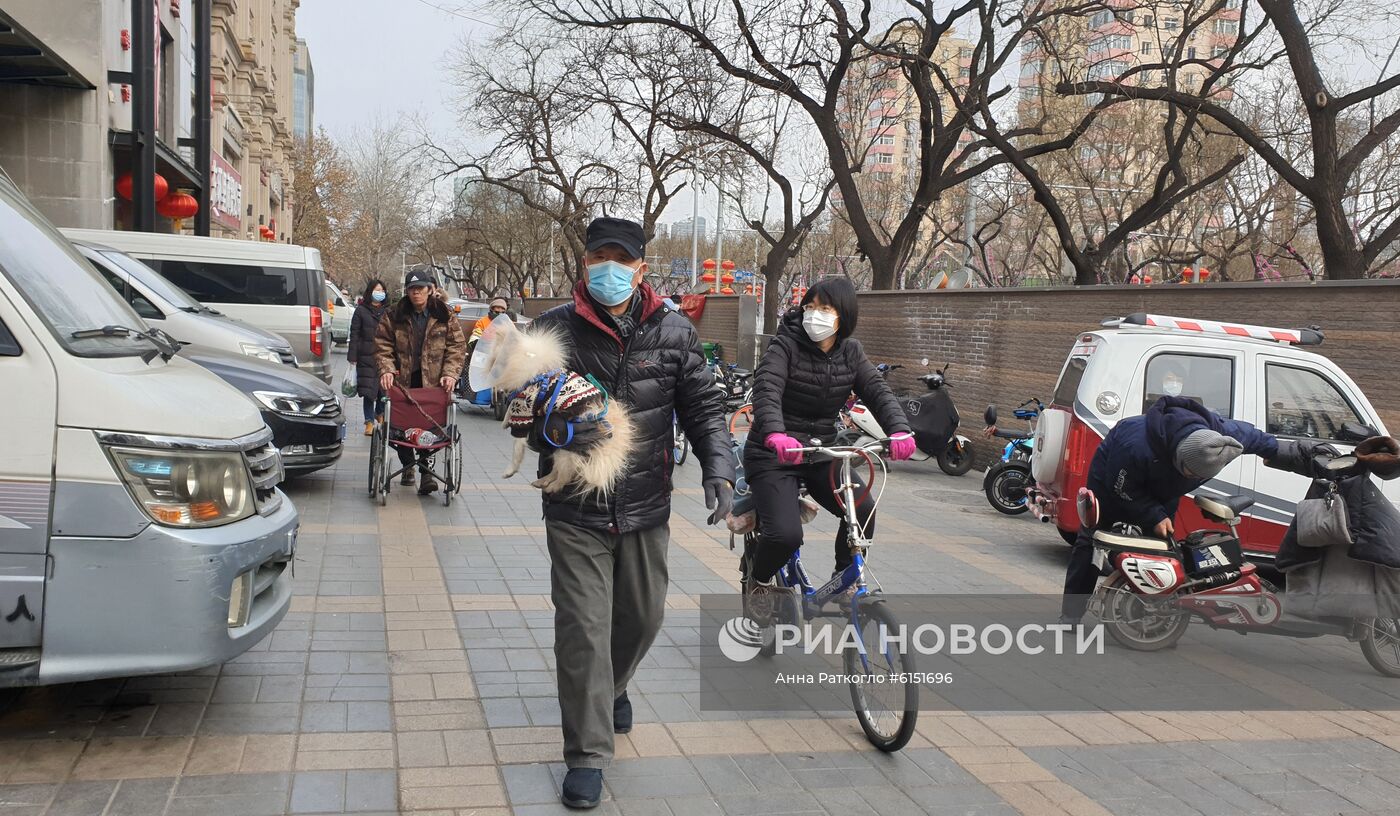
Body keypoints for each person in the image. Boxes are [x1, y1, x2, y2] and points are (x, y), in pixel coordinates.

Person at [528, 216, 734, 809]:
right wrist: (550, 427)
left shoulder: (674, 331)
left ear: (641, 267)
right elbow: (522, 406)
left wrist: (720, 468)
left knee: (642, 619)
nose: (609, 269)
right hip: (575, 506)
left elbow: (703, 407)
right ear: (585, 263)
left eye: (621, 259)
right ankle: (588, 754)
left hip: (646, 506)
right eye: (599, 258)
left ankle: (613, 688)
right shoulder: (554, 330)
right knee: (584, 631)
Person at [743, 277, 917, 607]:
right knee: (785, 535)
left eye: (824, 308)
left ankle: (843, 580)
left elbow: (877, 392)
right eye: (809, 307)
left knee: (863, 509)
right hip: (774, 453)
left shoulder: (851, 352)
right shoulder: (784, 346)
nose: (814, 315)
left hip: (821, 452)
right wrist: (775, 433)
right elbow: (767, 389)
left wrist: (899, 430)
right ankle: (760, 579)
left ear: (843, 315)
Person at [1060, 395, 1279, 622]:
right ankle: (1070, 616)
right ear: (1178, 457)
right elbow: (1122, 487)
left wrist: (1274, 451)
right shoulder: (1135, 443)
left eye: (1198, 477)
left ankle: (1159, 619)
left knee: (1163, 548)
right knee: (1090, 543)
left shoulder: (1218, 437)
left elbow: (1253, 437)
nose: (1192, 478)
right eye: (1189, 473)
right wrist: (1155, 516)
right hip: (1111, 483)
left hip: (1163, 488)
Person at [374, 267, 468, 495]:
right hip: (403, 380)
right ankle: (408, 466)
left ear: (430, 290)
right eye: (412, 289)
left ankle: (427, 472)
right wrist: (386, 369)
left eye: (420, 289)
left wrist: (450, 373)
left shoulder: (444, 315)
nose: (416, 293)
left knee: (430, 425)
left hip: (434, 381)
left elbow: (457, 347)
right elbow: (382, 344)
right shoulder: (394, 314)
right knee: (400, 425)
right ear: (407, 292)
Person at [348, 279, 390, 435]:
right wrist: (352, 357)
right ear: (370, 291)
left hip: (384, 356)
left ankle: (380, 413)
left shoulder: (388, 311)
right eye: (376, 290)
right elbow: (354, 334)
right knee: (368, 391)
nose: (379, 293)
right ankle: (369, 421)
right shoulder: (361, 310)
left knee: (382, 389)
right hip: (365, 356)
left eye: (382, 290)